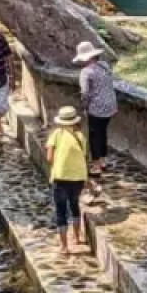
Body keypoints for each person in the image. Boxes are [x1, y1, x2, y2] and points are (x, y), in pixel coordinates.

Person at [45, 106, 89, 254]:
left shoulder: (56, 134)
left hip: (61, 177)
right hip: (78, 178)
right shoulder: (80, 136)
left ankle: (64, 247)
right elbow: (83, 156)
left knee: (61, 211)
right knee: (74, 204)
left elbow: (49, 158)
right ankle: (77, 237)